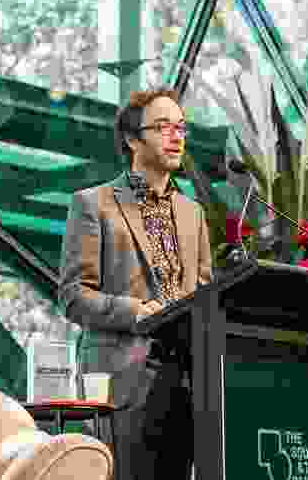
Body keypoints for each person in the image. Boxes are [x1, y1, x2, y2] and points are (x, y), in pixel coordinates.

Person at [58, 87, 212, 480]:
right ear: (131, 139)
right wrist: (135, 312)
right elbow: (73, 296)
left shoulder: (193, 214)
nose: (176, 136)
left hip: (191, 382)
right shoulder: (93, 204)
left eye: (181, 127)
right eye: (163, 127)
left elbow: (206, 292)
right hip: (124, 381)